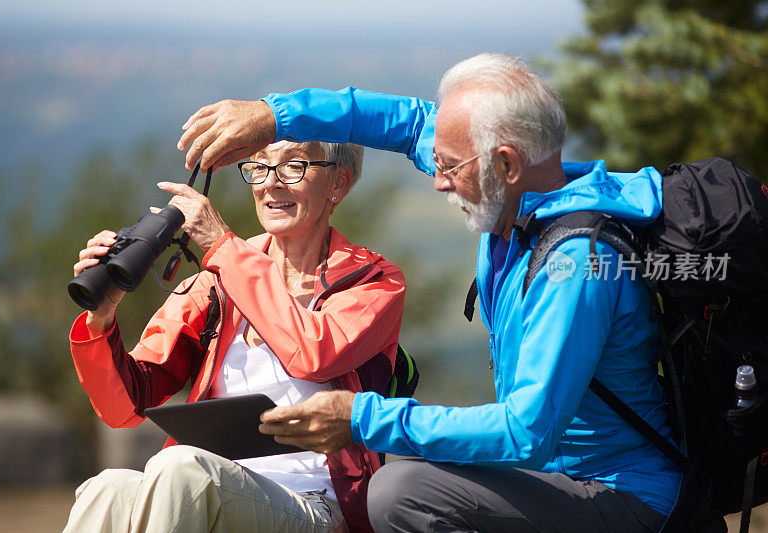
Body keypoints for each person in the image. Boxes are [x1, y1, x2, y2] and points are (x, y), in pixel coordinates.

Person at [176, 53, 692, 532]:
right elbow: (408, 124)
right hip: (556, 474)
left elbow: (525, 431)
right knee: (413, 480)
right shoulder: (514, 198)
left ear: (507, 164)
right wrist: (276, 116)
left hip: (620, 495)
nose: (439, 180)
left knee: (402, 490)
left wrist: (361, 418)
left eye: (448, 167)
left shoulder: (575, 264)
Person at [64, 140, 406, 533]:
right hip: (209, 481)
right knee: (106, 489)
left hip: (317, 503)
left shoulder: (374, 281)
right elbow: (124, 407)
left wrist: (221, 246)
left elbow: (315, 353)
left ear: (338, 183)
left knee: (182, 468)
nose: (270, 184)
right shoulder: (214, 284)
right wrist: (102, 318)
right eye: (259, 167)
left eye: (292, 166)